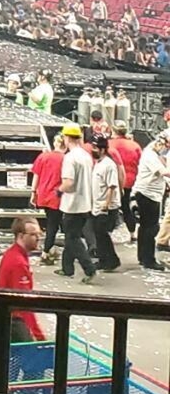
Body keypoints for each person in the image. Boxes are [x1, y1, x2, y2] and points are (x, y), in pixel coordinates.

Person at [55, 122, 96, 283]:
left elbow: (69, 182)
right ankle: (67, 268)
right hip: (85, 203)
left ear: (66, 138)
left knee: (73, 239)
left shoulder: (70, 158)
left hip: (72, 204)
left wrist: (59, 190)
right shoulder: (86, 156)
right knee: (71, 237)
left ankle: (89, 268)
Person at [0, 217, 46, 342]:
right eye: (33, 234)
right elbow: (24, 303)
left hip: (6, 317)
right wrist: (38, 335)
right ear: (21, 236)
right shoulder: (18, 263)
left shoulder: (13, 254)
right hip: (15, 321)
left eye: (39, 234)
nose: (38, 238)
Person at [132, 130, 170, 271]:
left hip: (150, 194)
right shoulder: (150, 155)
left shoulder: (153, 154)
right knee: (150, 229)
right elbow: (164, 172)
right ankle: (148, 259)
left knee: (145, 228)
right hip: (148, 195)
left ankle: (143, 257)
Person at [30, 135, 65, 264]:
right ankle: (47, 251)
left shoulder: (43, 156)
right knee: (54, 225)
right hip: (58, 195)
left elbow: (36, 175)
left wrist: (33, 192)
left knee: (51, 223)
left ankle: (48, 250)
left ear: (55, 143)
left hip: (44, 194)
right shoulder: (66, 159)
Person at [89, 134, 120, 272]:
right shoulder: (98, 163)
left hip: (106, 206)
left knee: (102, 234)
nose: (93, 150)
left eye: (95, 148)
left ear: (102, 149)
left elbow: (111, 186)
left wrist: (106, 204)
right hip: (97, 204)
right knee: (98, 234)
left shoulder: (109, 165)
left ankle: (112, 260)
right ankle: (103, 259)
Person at [110, 120, 141, 241]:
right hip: (130, 181)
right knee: (126, 207)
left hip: (113, 181)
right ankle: (132, 233)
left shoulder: (109, 144)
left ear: (113, 131)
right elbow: (141, 163)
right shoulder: (135, 145)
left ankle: (107, 233)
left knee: (110, 208)